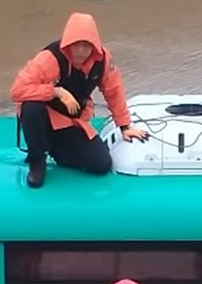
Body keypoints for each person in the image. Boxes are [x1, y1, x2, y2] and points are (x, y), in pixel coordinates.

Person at [9, 12, 148, 187]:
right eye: (76, 45)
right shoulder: (50, 58)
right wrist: (55, 92)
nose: (81, 51)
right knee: (30, 107)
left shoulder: (103, 60)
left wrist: (125, 126)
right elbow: (17, 90)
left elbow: (114, 91)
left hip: (71, 120)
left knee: (101, 165)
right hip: (45, 117)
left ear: (94, 46)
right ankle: (37, 160)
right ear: (68, 43)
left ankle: (55, 148)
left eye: (86, 45)